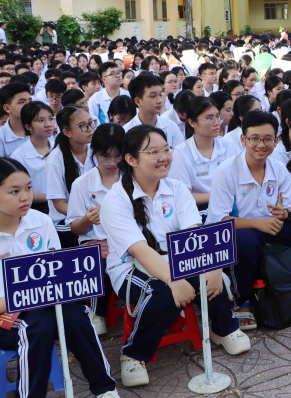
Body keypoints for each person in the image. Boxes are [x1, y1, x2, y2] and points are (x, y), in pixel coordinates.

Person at [0, 157, 119, 398]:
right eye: (14, 191)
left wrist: (47, 291)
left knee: (76, 314)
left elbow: (54, 279)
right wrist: (25, 295)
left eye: (28, 188)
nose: (25, 197)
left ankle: (105, 389)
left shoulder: (40, 222)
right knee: (35, 326)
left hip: (43, 305)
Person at [101, 125, 247, 387]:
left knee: (214, 279)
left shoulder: (177, 188)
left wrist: (211, 268)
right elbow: (140, 250)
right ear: (131, 159)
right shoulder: (116, 199)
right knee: (162, 294)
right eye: (153, 152)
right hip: (130, 268)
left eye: (166, 149)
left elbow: (193, 236)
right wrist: (172, 280)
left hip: (177, 259)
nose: (163, 156)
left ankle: (223, 328)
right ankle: (133, 353)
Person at [206, 112, 291, 332]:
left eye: (268, 139)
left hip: (272, 226)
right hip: (244, 229)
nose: (261, 145)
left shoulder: (277, 168)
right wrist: (258, 224)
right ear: (243, 140)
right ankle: (243, 301)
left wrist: (284, 214)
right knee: (244, 240)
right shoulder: (226, 171)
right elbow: (218, 222)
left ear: (276, 140)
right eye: (254, 138)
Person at [66, 123, 126, 336]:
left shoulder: (131, 179)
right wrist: (87, 219)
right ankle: (96, 311)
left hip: (127, 241)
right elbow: (75, 228)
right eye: (105, 156)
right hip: (95, 243)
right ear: (94, 153)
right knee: (99, 263)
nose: (112, 162)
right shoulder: (82, 184)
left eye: (118, 156)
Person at [169, 96, 238, 218]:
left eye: (217, 116)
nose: (216, 123)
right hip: (199, 211)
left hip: (230, 204)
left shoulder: (229, 146)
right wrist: (217, 195)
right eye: (209, 118)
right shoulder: (181, 153)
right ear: (192, 122)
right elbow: (183, 196)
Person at [46, 105, 96, 247]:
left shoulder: (95, 150)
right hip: (67, 224)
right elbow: (59, 204)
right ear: (67, 132)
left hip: (95, 217)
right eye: (82, 126)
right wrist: (86, 216)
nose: (90, 129)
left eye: (90, 123)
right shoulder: (55, 159)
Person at [11, 102, 56, 215]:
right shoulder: (19, 156)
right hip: (36, 209)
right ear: (28, 126)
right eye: (41, 120)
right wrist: (53, 196)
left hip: (63, 206)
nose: (48, 124)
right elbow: (19, 192)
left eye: (50, 119)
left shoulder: (59, 147)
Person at [123, 73, 184, 146]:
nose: (159, 100)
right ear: (138, 101)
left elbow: (181, 154)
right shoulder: (127, 131)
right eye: (153, 96)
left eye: (160, 95)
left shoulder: (171, 126)